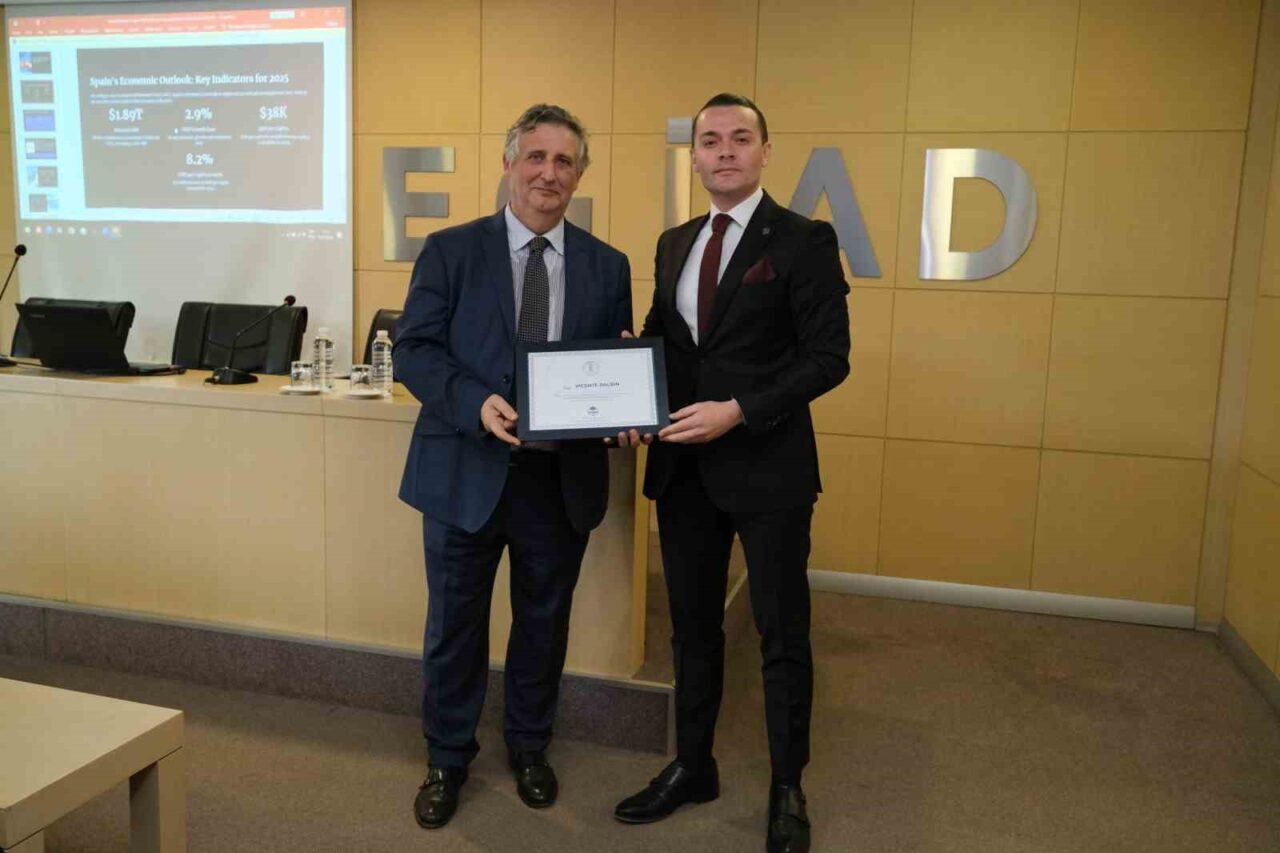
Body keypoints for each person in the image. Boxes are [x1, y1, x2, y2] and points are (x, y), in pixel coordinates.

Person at [612, 93, 850, 853]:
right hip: (685, 468)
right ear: (694, 156)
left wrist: (740, 410)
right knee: (691, 630)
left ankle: (787, 786)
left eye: (739, 138)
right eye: (710, 140)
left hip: (769, 468)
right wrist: (627, 378)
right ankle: (693, 765)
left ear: (765, 151)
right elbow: (667, 339)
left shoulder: (805, 239)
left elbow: (828, 358)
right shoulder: (674, 241)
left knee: (781, 633)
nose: (724, 151)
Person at [393, 103, 632, 830]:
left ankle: (530, 746)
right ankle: (447, 757)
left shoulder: (608, 265)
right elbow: (414, 351)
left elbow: (609, 366)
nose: (548, 173)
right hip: (465, 470)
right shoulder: (450, 251)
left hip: (558, 481)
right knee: (455, 625)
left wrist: (626, 403)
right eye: (535, 157)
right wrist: (475, 403)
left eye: (564, 161)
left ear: (579, 174)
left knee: (543, 625)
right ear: (508, 164)